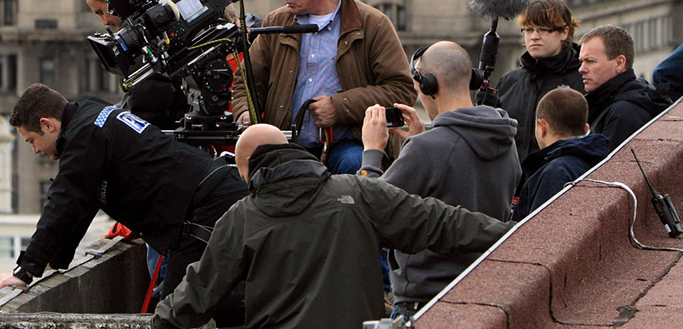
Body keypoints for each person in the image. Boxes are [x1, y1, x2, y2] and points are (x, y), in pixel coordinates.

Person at [153, 125, 510, 329]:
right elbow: (441, 222)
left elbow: (200, 291)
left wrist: (161, 322)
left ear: (247, 167)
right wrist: (511, 234)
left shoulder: (242, 216)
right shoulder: (357, 192)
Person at [0, 84, 244, 323]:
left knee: (177, 315)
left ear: (46, 125)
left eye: (31, 141)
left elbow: (64, 201)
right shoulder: (94, 114)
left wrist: (25, 271)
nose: (35, 150)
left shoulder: (86, 134)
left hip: (203, 209)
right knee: (207, 305)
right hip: (210, 196)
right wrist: (54, 258)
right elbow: (83, 200)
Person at [358, 41, 519, 317]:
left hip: (425, 302)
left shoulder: (428, 149)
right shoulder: (505, 139)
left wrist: (372, 153)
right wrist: (418, 143)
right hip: (484, 293)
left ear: (429, 85)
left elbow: (369, 211)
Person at [232, 0, 416, 173]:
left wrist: (339, 107)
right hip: (284, 146)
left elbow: (401, 90)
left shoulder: (372, 24)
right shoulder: (276, 21)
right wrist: (245, 111)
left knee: (354, 164)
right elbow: (245, 82)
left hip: (348, 143)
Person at [84, 0, 189, 128]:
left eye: (101, 12)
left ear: (114, 0)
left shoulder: (141, 38)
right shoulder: (144, 27)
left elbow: (147, 106)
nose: (105, 22)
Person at [493, 0, 585, 163]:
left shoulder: (583, 80)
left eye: (543, 29)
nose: (534, 36)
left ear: (564, 32)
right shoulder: (510, 82)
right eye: (528, 29)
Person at [512, 86, 611, 220]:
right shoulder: (602, 162)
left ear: (542, 127)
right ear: (586, 128)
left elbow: (540, 231)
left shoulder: (554, 173)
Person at [579, 25, 668, 146]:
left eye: (590, 61)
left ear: (619, 63)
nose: (581, 69)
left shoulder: (623, 114)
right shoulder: (618, 101)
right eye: (581, 61)